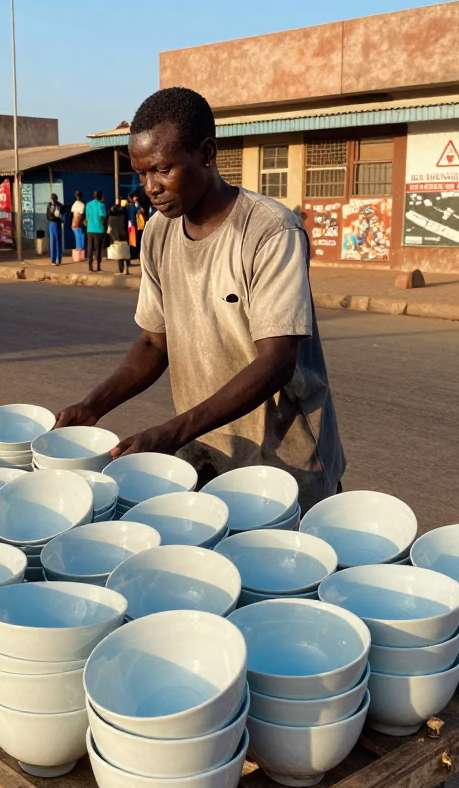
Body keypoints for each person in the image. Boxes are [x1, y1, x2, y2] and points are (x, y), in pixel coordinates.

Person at [54, 86, 345, 511]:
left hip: (283, 459)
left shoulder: (269, 231)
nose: (149, 187)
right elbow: (156, 342)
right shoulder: (157, 232)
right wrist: (92, 407)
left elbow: (276, 361)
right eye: (141, 173)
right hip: (206, 448)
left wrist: (171, 432)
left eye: (162, 169)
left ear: (206, 154)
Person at [85, 190, 107, 271]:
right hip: (99, 229)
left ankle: (90, 266)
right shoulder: (101, 205)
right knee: (98, 248)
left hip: (90, 229)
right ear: (100, 196)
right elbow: (102, 216)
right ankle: (98, 266)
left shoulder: (88, 204)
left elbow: (87, 217)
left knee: (90, 247)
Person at [107, 201, 131, 274]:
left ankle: (121, 270)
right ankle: (126, 269)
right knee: (125, 252)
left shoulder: (111, 218)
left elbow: (109, 230)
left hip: (116, 237)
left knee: (119, 254)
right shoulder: (124, 216)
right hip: (125, 236)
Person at [46, 193, 65, 265]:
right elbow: (47, 215)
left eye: (53, 198)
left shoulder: (60, 206)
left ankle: (58, 260)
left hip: (56, 223)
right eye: (52, 198)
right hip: (52, 223)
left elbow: (62, 214)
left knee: (57, 242)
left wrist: (57, 218)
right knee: (53, 242)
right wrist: (53, 217)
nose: (52, 200)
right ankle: (53, 260)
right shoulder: (49, 205)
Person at [127, 192, 147, 259]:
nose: (136, 198)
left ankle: (134, 254)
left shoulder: (128, 206)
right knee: (134, 240)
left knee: (133, 240)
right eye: (135, 197)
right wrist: (137, 205)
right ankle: (134, 254)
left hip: (132, 225)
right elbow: (140, 211)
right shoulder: (134, 206)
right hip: (134, 225)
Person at [70, 190, 86, 259]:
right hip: (78, 224)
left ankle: (79, 255)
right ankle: (80, 256)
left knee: (78, 238)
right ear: (81, 196)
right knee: (80, 238)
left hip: (73, 224)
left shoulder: (74, 205)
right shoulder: (82, 205)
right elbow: (81, 215)